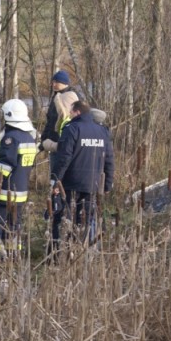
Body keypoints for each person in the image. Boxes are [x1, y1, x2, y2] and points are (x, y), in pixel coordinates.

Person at [49, 100, 114, 252]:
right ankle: (84, 251)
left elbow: (64, 158)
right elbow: (109, 159)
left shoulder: (72, 128)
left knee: (66, 218)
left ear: (78, 112)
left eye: (71, 112)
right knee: (86, 219)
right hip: (94, 184)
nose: (69, 115)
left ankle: (63, 252)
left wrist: (55, 180)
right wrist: (108, 184)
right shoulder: (102, 131)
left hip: (71, 184)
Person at [0, 99, 38, 260]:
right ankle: (14, 254)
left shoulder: (11, 138)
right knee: (14, 223)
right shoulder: (29, 138)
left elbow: (4, 166)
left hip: (4, 190)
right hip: (21, 191)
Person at [39, 70, 79, 174]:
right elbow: (50, 121)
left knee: (58, 175)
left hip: (63, 142)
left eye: (56, 82)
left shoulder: (69, 97)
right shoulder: (56, 96)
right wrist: (44, 139)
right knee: (55, 173)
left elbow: (67, 120)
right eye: (53, 82)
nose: (53, 84)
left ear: (64, 83)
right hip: (54, 141)